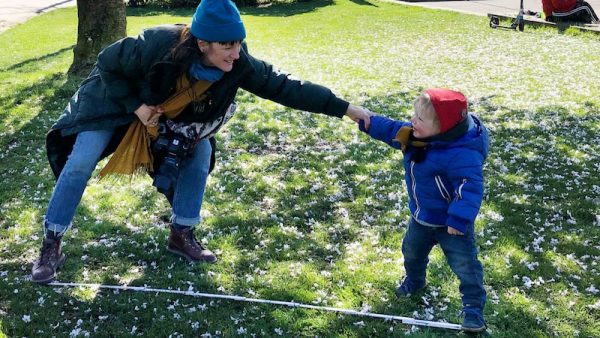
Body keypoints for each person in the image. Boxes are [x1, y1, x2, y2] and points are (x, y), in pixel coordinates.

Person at [32, 0, 371, 284]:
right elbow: (107, 62)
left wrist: (346, 109)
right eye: (227, 45)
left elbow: (284, 86)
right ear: (202, 42)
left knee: (200, 150)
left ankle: (182, 234)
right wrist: (136, 107)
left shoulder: (238, 63)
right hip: (113, 100)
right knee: (81, 161)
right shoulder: (158, 42)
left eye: (239, 43)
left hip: (162, 109)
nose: (236, 53)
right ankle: (52, 243)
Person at [358, 89, 488, 333]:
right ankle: (415, 282)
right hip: (422, 217)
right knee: (411, 252)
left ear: (444, 128)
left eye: (420, 118)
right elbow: (390, 129)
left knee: (466, 266)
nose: (413, 121)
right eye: (414, 115)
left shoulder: (463, 154)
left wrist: (459, 219)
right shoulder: (416, 135)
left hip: (452, 225)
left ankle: (473, 308)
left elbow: (470, 188)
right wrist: (367, 120)